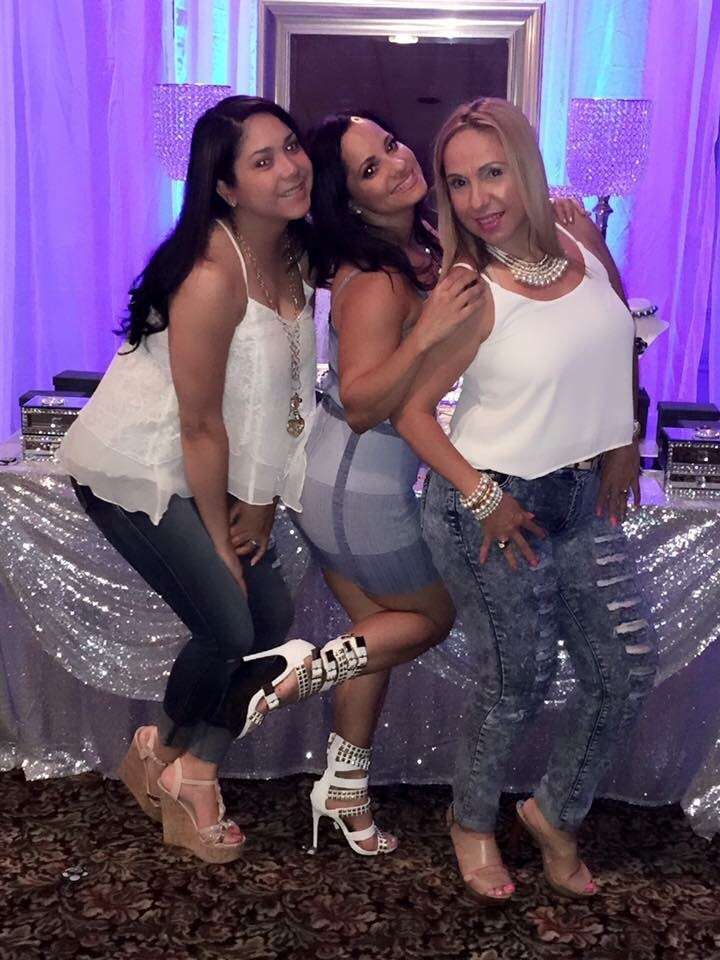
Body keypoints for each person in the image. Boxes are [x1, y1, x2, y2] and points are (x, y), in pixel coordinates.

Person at [393, 98, 658, 901]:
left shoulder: (579, 239)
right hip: (490, 504)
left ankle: (554, 811)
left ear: (528, 167)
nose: (480, 197)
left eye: (494, 171)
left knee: (622, 671)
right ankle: (471, 823)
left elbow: (618, 344)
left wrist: (622, 448)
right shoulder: (474, 289)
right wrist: (483, 500)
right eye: (460, 181)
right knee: (519, 679)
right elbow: (411, 413)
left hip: (581, 492)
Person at [60, 95, 318, 863]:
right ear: (227, 187)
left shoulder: (294, 253)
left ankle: (165, 751)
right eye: (263, 161)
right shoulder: (211, 272)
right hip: (138, 466)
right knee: (235, 622)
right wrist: (221, 540)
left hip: (211, 468)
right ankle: (193, 780)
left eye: (292, 147)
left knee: (268, 620)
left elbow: (274, 396)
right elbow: (200, 424)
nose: (290, 167)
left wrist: (259, 507)